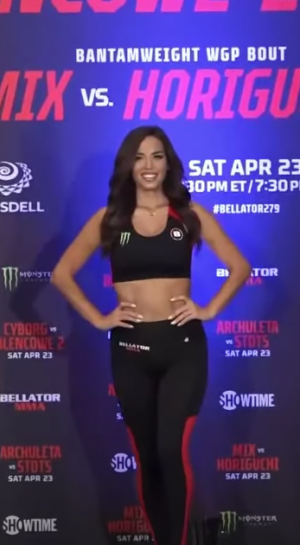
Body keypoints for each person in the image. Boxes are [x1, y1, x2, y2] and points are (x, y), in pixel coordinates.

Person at [51, 126, 250, 545]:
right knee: (147, 457)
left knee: (169, 450)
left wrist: (209, 309)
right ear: (128, 165)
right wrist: (98, 318)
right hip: (130, 350)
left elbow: (240, 267)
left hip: (183, 349)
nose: (148, 166)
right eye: (139, 157)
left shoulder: (189, 215)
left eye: (157, 156)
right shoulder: (110, 219)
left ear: (168, 164)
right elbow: (61, 274)